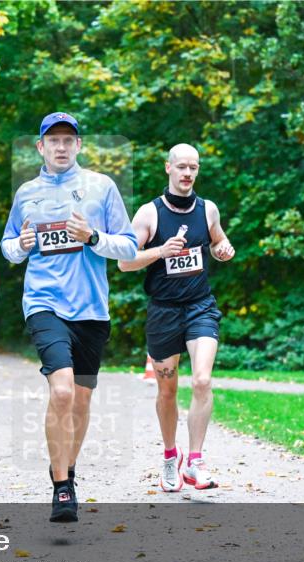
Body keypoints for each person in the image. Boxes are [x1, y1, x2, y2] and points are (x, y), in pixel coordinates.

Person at [1, 112, 138, 522]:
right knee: (60, 392)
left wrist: (93, 237)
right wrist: (20, 245)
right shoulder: (26, 193)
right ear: (40, 147)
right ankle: (62, 487)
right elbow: (8, 245)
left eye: (68, 140)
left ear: (78, 146)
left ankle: (68, 469)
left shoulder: (102, 187)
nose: (61, 147)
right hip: (44, 302)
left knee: (80, 400)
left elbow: (129, 248)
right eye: (52, 140)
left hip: (92, 310)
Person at [119, 143, 235, 492]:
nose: (187, 173)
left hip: (200, 306)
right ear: (167, 168)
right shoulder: (148, 214)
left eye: (193, 168)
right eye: (181, 166)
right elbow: (125, 262)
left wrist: (223, 249)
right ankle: (171, 456)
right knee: (167, 390)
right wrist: (160, 250)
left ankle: (195, 463)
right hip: (163, 313)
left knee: (201, 381)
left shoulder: (208, 209)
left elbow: (217, 241)